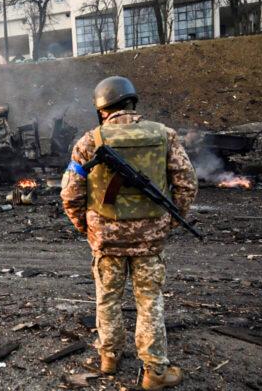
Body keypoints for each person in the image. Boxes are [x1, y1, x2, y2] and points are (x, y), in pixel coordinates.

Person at [60, 76, 197, 390]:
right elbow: (187, 185)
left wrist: (88, 228)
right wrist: (167, 223)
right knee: (149, 301)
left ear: (102, 108)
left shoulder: (88, 141)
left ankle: (108, 358)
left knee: (107, 299)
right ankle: (155, 372)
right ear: (132, 102)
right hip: (150, 241)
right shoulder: (165, 135)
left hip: (106, 240)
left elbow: (69, 193)